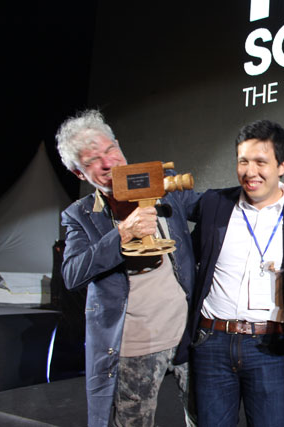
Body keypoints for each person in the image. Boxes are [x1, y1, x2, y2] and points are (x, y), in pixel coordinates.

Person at [56, 110, 198, 427]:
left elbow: (213, 205)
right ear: (79, 174)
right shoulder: (79, 215)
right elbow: (72, 274)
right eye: (92, 160)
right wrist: (122, 233)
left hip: (187, 338)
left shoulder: (159, 187)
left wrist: (269, 193)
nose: (108, 163)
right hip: (134, 350)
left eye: (110, 150)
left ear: (120, 146)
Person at [189, 120, 284, 427]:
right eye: (243, 161)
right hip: (211, 341)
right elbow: (171, 196)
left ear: (283, 165)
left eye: (261, 162)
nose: (250, 171)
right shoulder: (215, 203)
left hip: (268, 347)